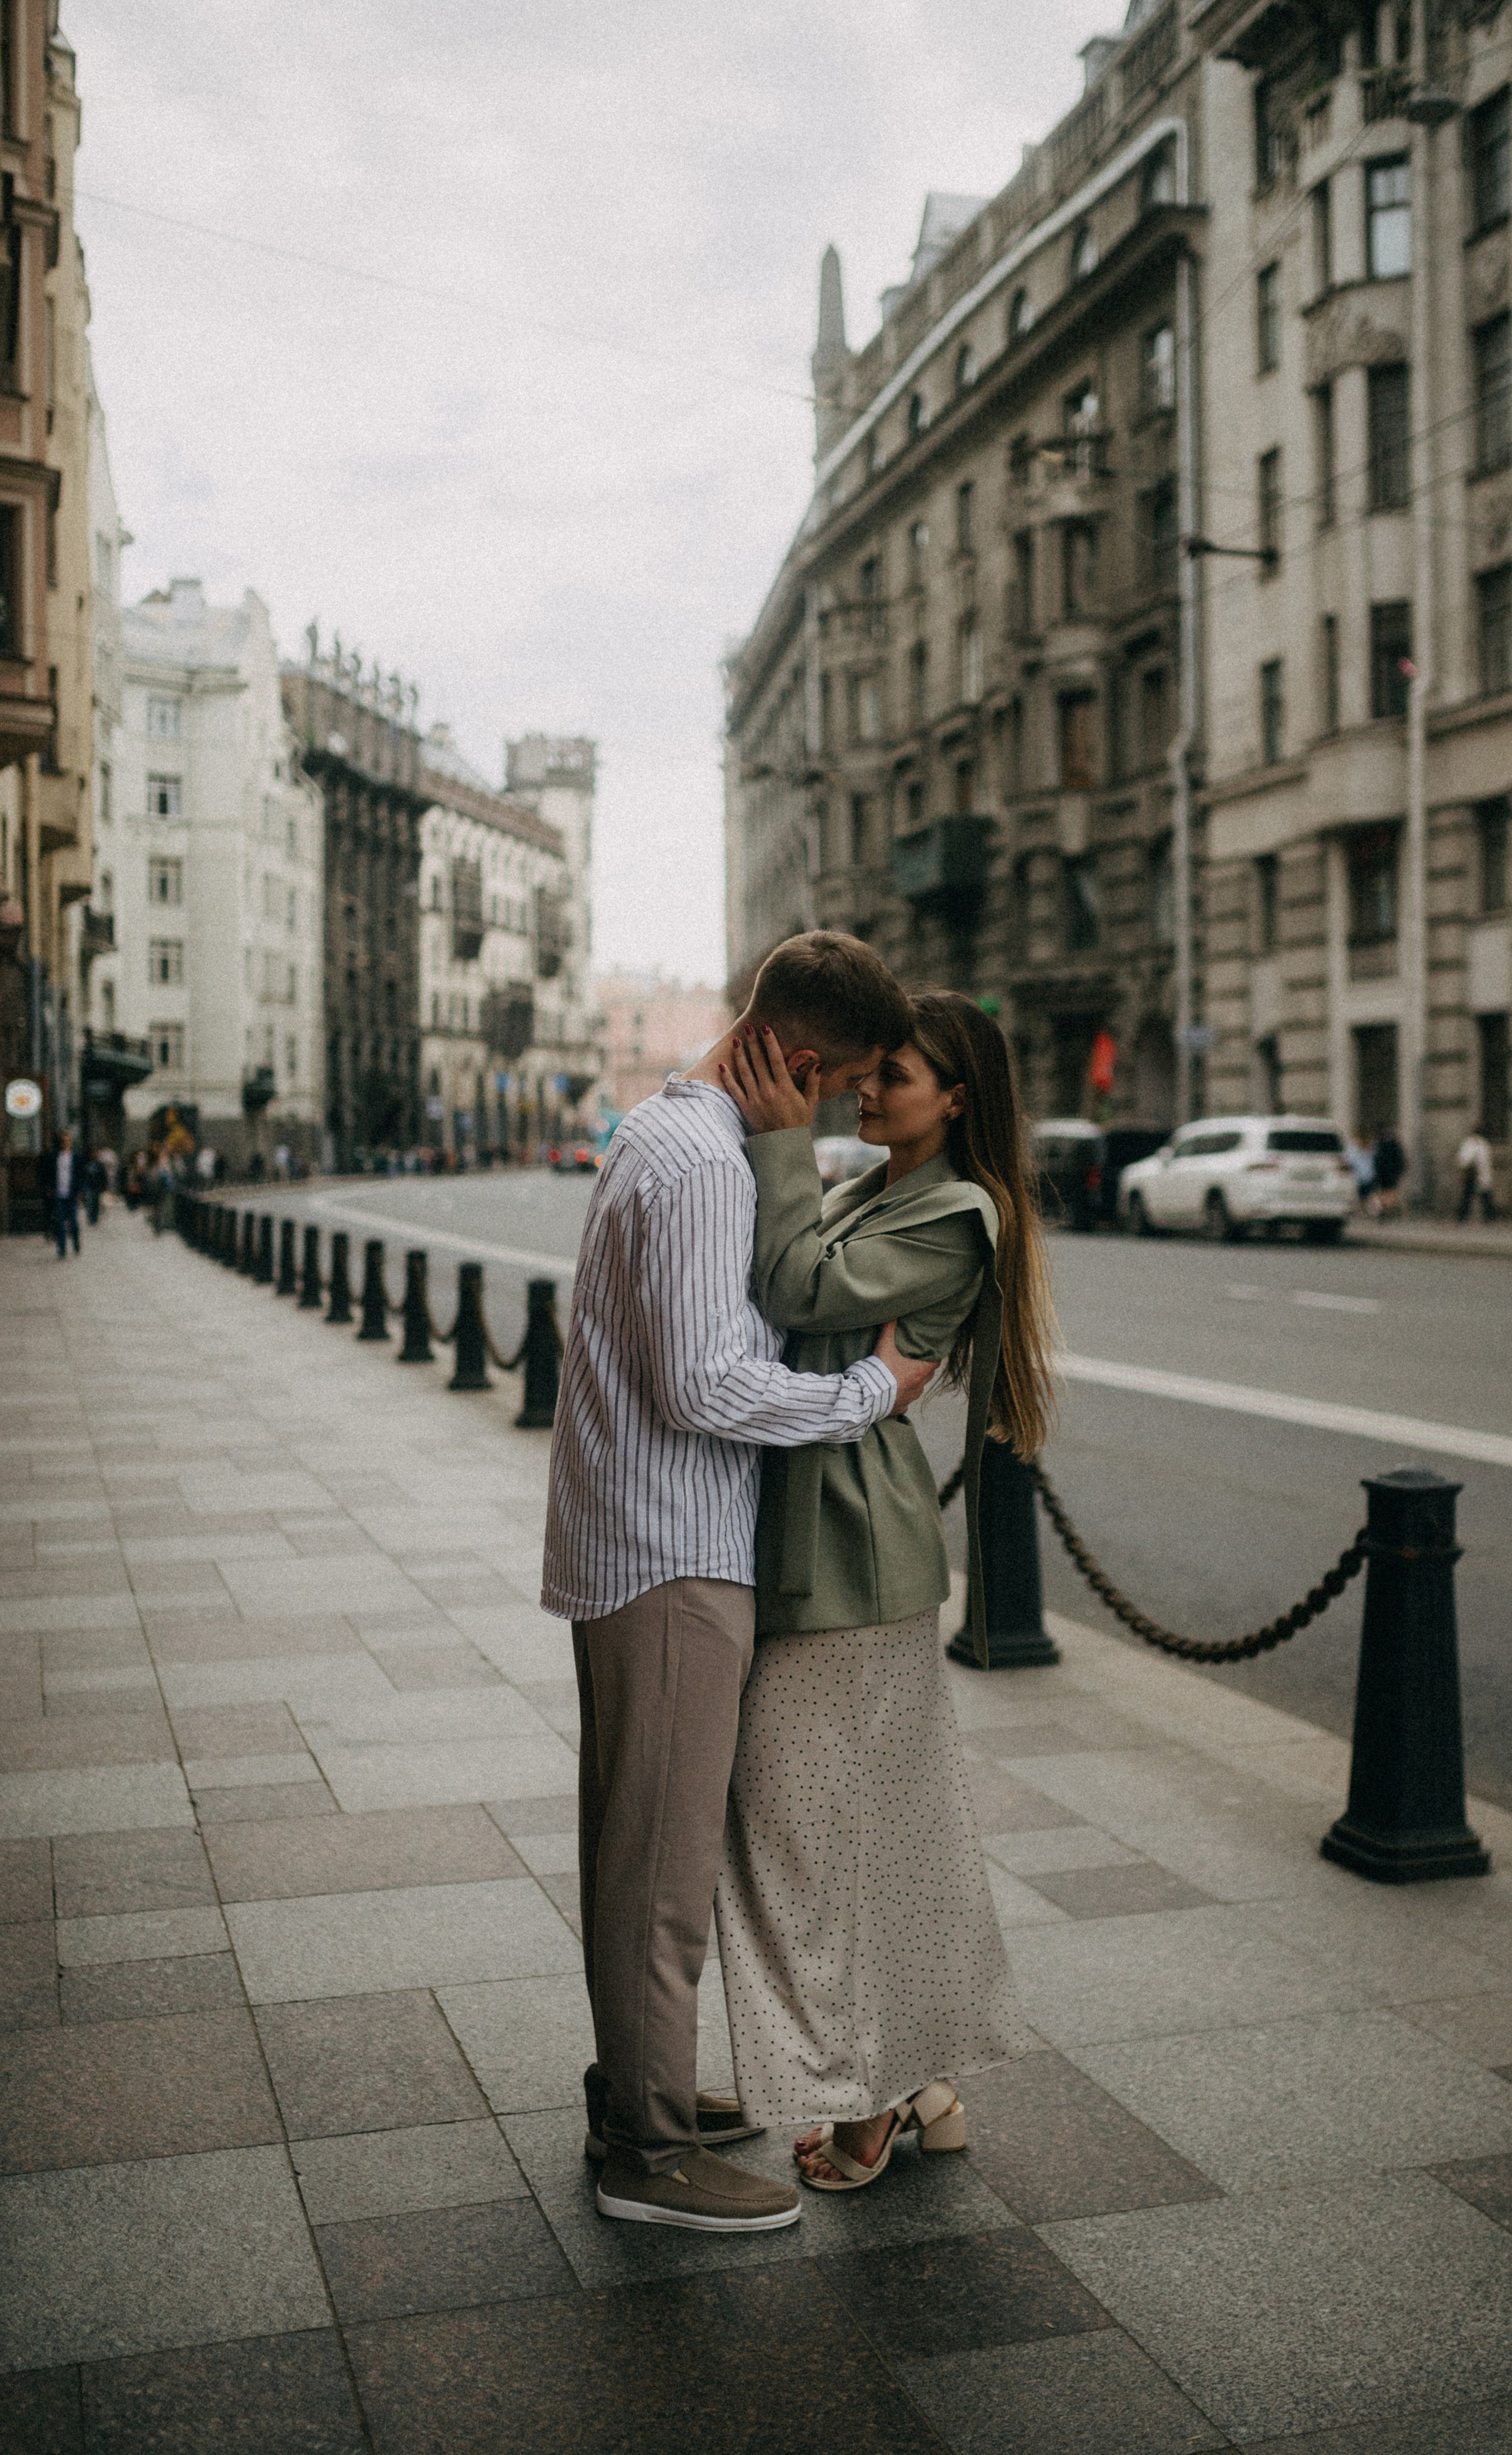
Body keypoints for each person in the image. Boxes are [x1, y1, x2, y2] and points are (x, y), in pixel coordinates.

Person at [540, 930, 937, 2236]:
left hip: (635, 1540)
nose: (841, 1109)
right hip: (675, 1554)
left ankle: (635, 2091)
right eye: (844, 1085)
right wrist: (866, 1393)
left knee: (634, 1853)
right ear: (801, 1058)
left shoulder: (666, 1132)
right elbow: (706, 1383)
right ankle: (647, 2157)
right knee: (659, 1877)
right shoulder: (708, 1163)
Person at [714, 992, 1054, 2193]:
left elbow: (801, 1287)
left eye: (896, 1075)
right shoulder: (877, 1186)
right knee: (858, 1835)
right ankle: (914, 2085)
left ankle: (867, 2092)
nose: (869, 1088)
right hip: (823, 1528)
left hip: (854, 1550)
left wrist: (780, 1139)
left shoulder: (958, 1213)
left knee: (814, 1837)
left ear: (957, 1097)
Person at [37, 1129, 87, 1258]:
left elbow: (81, 1175)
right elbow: (48, 1173)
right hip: (58, 1194)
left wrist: (81, 1191)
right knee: (59, 1222)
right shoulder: (55, 1157)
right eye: (63, 1141)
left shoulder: (76, 1157)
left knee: (74, 1222)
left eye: (68, 1140)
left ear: (71, 1142)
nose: (65, 1143)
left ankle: (76, 1243)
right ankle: (62, 1248)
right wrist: (49, 1187)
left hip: (72, 1194)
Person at [1455, 1125, 1495, 1222]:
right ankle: (1463, 1215)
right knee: (1468, 1195)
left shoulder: (1482, 1144)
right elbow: (1464, 1159)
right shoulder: (1470, 1143)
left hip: (1480, 1173)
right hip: (1472, 1174)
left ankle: (1489, 1216)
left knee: (1484, 1195)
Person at [1372, 1127, 1406, 1216]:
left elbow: (1376, 1160)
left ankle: (1385, 1208)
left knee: (1385, 1191)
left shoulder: (1380, 1145)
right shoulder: (1395, 1145)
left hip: (1383, 1173)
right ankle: (1387, 1208)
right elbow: (1400, 1160)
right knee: (1389, 1192)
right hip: (1390, 1173)